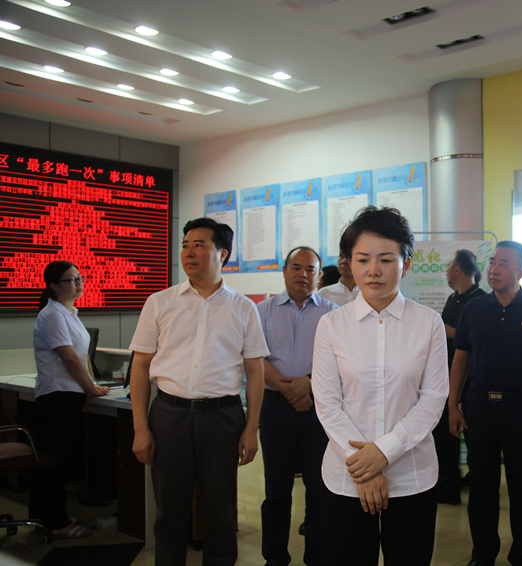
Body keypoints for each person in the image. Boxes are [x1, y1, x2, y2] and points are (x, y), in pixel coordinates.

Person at [311, 206, 448, 566]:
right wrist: (363, 465)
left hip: (412, 476)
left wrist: (383, 453)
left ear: (406, 263)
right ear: (349, 264)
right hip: (346, 478)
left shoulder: (428, 323)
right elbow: (327, 402)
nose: (373, 270)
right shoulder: (331, 325)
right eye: (363, 259)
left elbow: (433, 398)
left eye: (386, 259)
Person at [130, 217, 269, 566]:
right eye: (185, 245)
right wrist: (141, 429)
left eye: (199, 245)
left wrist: (251, 428)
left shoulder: (243, 307)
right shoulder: (159, 302)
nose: (188, 253)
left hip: (222, 418)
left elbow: (255, 371)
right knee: (169, 513)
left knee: (221, 514)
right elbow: (140, 367)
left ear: (222, 254)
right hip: (169, 417)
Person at [449, 240, 522, 566]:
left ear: (521, 271)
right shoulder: (474, 309)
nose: (494, 269)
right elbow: (460, 359)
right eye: (492, 262)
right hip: (480, 407)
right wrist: (452, 405)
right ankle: (483, 554)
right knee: (481, 487)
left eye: (503, 264)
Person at [256, 247, 337, 566]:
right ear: (284, 271)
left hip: (319, 409)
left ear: (319, 275)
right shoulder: (262, 311)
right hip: (275, 408)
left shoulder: (332, 313)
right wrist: (290, 389)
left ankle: (318, 556)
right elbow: (255, 358)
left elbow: (340, 361)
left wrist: (309, 384)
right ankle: (275, 557)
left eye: (310, 269)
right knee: (277, 489)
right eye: (296, 267)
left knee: (319, 488)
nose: (303, 274)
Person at [30, 260, 110, 539]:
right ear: (53, 285)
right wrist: (90, 387)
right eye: (70, 280)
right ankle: (56, 523)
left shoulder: (69, 312)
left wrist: (90, 385)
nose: (78, 284)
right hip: (58, 395)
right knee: (57, 461)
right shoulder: (52, 315)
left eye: (79, 278)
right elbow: (69, 357)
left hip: (69, 393)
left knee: (58, 459)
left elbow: (83, 354)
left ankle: (45, 515)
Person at [434, 248, 487, 505]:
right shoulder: (453, 299)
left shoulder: (482, 301)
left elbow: (477, 339)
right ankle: (448, 485)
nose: (446, 271)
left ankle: (472, 483)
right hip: (447, 375)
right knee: (446, 433)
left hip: (474, 378)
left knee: (475, 435)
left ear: (457, 269)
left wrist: (442, 328)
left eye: (448, 266)